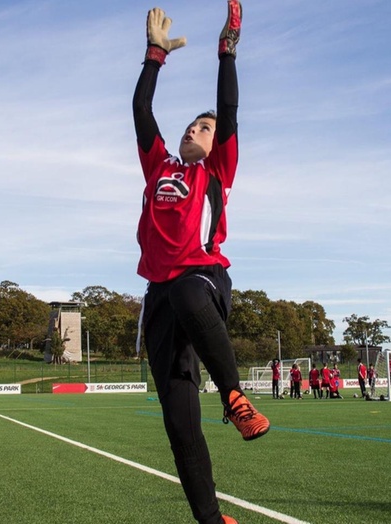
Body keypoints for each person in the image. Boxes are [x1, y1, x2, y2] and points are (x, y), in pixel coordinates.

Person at [133, 4, 264, 523]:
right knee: (179, 421)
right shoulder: (158, 164)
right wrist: (154, 56)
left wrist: (226, 50)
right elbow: (142, 111)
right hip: (159, 297)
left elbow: (228, 110)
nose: (197, 128)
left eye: (204, 126)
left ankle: (235, 397)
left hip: (204, 279)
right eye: (192, 124)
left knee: (188, 291)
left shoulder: (216, 170)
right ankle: (212, 520)